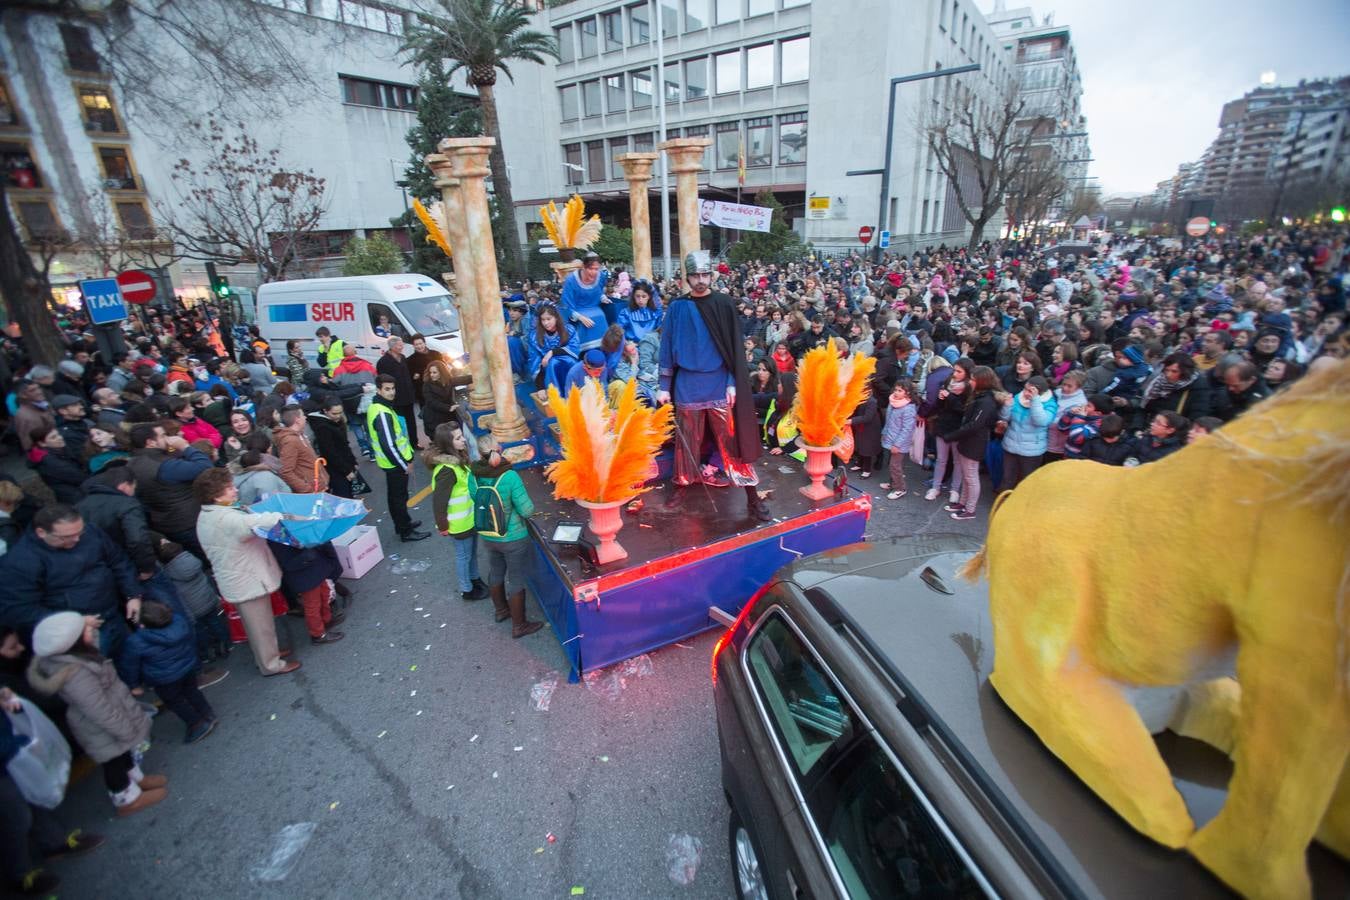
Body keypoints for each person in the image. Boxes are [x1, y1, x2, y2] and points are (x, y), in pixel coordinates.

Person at [658, 251, 770, 523]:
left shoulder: (723, 303)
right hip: (687, 385)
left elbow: (733, 347)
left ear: (711, 276)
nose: (700, 280)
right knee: (687, 442)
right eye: (695, 275)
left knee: (731, 441)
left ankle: (752, 496)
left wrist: (732, 382)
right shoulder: (677, 307)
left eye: (705, 274)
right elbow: (667, 345)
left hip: (719, 383)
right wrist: (664, 385)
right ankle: (681, 485)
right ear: (687, 277)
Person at [26, 611, 165, 816]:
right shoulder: (76, 675)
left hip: (113, 718)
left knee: (123, 753)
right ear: (73, 642)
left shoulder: (77, 655)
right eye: (86, 630)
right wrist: (125, 729)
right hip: (102, 727)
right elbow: (98, 709)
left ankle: (137, 779)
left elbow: (94, 643)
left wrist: (82, 624)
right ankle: (126, 799)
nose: (91, 630)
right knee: (113, 763)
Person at [192, 468, 300, 677]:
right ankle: (271, 664)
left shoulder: (208, 514)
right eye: (229, 488)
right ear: (216, 496)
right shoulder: (228, 519)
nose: (235, 490)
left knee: (256, 625)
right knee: (260, 626)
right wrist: (283, 515)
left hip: (238, 577)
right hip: (246, 579)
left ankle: (267, 655)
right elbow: (260, 522)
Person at [0, 504, 143, 659]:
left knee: (129, 659)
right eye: (67, 537)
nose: (77, 539)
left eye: (80, 532)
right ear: (41, 532)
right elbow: (18, 609)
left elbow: (119, 561)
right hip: (78, 635)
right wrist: (74, 622)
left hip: (114, 616)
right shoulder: (20, 562)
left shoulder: (91, 532)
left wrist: (132, 594)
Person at [114, 599, 217, 744]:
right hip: (187, 667)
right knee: (192, 691)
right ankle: (207, 713)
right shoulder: (179, 621)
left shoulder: (136, 641)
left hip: (164, 679)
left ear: (143, 624)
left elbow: (130, 665)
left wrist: (134, 685)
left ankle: (197, 724)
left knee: (175, 701)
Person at [470, 435, 542, 638]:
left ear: (479, 454)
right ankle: (519, 625)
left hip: (488, 534)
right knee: (516, 578)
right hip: (513, 537)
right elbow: (527, 510)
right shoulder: (509, 476)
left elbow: (476, 499)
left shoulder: (473, 475)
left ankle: (501, 610)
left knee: (496, 570)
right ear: (500, 449)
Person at [125, 423, 213, 561]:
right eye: (163, 436)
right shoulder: (162, 465)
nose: (167, 439)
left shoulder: (131, 464)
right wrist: (185, 447)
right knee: (212, 558)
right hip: (190, 521)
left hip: (166, 523)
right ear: (150, 442)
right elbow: (205, 467)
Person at [426, 424, 485, 602]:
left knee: (471, 554)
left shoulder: (457, 460)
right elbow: (439, 502)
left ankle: (475, 579)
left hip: (469, 519)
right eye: (458, 438)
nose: (464, 440)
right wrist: (443, 526)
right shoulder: (446, 470)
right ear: (448, 443)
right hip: (459, 525)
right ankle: (467, 589)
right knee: (464, 557)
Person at [367, 375, 428, 542]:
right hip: (395, 464)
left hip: (391, 464)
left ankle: (402, 525)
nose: (391, 392)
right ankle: (405, 531)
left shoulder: (379, 407)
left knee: (395, 497)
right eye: (387, 389)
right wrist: (404, 464)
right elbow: (388, 445)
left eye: (393, 388)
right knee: (399, 499)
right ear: (378, 390)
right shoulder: (382, 413)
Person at [155, 538, 231, 664]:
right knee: (216, 623)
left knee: (200, 631)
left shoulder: (170, 572)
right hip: (208, 601)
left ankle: (208, 652)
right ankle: (225, 643)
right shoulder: (193, 561)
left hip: (193, 609)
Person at [940, 365, 1000, 521]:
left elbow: (975, 424)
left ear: (982, 381)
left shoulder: (986, 401)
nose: (970, 382)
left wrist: (952, 436)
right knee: (967, 476)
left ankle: (970, 509)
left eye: (973, 379)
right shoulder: (980, 397)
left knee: (971, 477)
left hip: (974, 443)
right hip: (967, 441)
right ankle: (962, 503)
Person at [267, 541, 345, 647]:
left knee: (324, 593)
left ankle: (326, 619)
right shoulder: (276, 537)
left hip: (311, 563)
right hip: (302, 568)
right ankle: (318, 634)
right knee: (313, 604)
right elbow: (286, 559)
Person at [998, 375, 1057, 491]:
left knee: (1026, 482)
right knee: (1007, 479)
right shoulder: (1018, 397)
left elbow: (1041, 421)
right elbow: (1004, 418)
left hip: (1032, 451)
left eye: (1030, 391)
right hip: (1011, 446)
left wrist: (1035, 401)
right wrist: (1007, 406)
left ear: (1039, 393)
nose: (1025, 393)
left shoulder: (1050, 404)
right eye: (1025, 388)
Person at [559, 251, 610, 350]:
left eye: (596, 269)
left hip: (596, 310)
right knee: (582, 326)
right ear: (583, 267)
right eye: (590, 268)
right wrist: (580, 317)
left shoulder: (601, 276)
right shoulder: (571, 280)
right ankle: (581, 351)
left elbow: (599, 291)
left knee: (601, 317)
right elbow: (566, 305)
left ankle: (603, 348)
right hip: (576, 312)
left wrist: (603, 298)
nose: (594, 272)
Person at [376, 336, 420, 449]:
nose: (402, 347)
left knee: (411, 421)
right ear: (392, 347)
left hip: (408, 396)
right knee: (399, 423)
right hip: (395, 398)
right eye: (400, 345)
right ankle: (402, 445)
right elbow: (382, 381)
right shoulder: (383, 362)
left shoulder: (403, 358)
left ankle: (414, 442)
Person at [309, 400, 359, 499]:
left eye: (340, 413)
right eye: (334, 413)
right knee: (344, 497)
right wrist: (346, 470)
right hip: (335, 469)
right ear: (325, 411)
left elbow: (344, 445)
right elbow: (329, 452)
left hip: (343, 464)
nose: (338, 416)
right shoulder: (322, 427)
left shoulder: (334, 422)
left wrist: (353, 461)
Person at [526, 303, 580, 394]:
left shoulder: (569, 330)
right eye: (543, 319)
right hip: (547, 371)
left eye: (549, 319)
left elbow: (574, 348)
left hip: (567, 366)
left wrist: (552, 352)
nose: (545, 323)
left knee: (567, 360)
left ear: (556, 318)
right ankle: (556, 394)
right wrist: (540, 387)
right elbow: (534, 361)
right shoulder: (535, 336)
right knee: (553, 362)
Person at [879, 380, 918, 500]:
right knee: (891, 464)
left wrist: (897, 444)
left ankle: (900, 488)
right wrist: (884, 433)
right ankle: (893, 483)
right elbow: (888, 421)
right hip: (890, 438)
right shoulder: (893, 403)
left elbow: (907, 430)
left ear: (908, 393)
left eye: (900, 391)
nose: (896, 392)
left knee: (895, 466)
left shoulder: (908, 408)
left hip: (899, 443)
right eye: (895, 390)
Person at [26, 426, 86, 505]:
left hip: (70, 488)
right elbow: (78, 477)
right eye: (53, 437)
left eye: (58, 434)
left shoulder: (57, 448)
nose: (60, 438)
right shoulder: (50, 462)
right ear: (42, 443)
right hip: (75, 494)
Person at [273, 407, 327, 494]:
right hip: (312, 493)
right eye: (303, 415)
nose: (305, 417)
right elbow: (285, 471)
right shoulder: (290, 441)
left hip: (318, 488)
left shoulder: (299, 435)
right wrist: (308, 489)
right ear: (297, 420)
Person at [420, 359, 457, 439]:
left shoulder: (448, 381)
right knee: (439, 441)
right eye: (430, 372)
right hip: (434, 419)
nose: (431, 375)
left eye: (434, 372)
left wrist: (476, 376)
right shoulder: (427, 385)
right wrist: (448, 408)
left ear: (442, 372)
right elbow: (431, 402)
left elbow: (462, 379)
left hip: (446, 417)